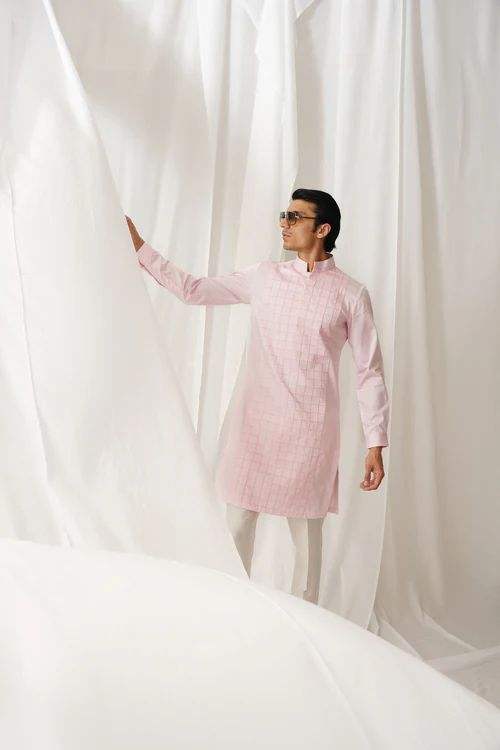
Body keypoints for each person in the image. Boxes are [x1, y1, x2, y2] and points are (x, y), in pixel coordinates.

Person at [126, 188, 390, 604]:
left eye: (295, 217)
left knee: (307, 546)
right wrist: (141, 249)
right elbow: (194, 290)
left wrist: (376, 442)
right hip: (255, 429)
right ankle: (236, 617)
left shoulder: (349, 295)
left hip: (310, 436)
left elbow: (368, 370)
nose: (284, 223)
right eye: (284, 214)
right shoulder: (265, 277)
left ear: (323, 229)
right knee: (236, 533)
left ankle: (306, 627)